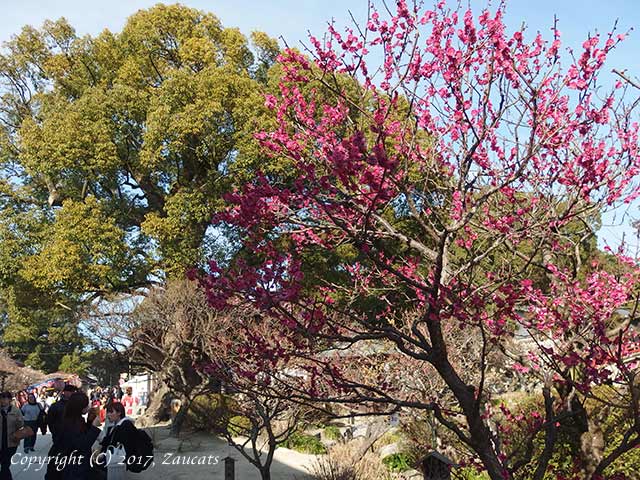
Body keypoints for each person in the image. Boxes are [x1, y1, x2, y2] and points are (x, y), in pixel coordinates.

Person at [57, 392, 100, 480]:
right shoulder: (71, 423)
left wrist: (89, 422)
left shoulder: (77, 419)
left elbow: (82, 435)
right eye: (86, 405)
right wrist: (94, 427)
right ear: (80, 407)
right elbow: (82, 444)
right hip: (75, 466)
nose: (88, 407)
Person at [45, 385, 78, 480]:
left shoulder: (75, 406)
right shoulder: (56, 406)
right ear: (65, 392)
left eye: (73, 392)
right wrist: (55, 434)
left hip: (73, 440)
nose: (72, 394)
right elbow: (50, 422)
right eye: (70, 392)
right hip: (59, 439)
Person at [96, 402, 136, 479]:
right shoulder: (115, 425)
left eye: (111, 412)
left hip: (118, 462)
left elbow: (126, 446)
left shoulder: (125, 426)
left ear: (119, 413)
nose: (108, 415)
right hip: (113, 462)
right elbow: (108, 442)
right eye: (108, 412)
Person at [0, 391, 25, 480]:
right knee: (4, 464)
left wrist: (18, 421)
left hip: (11, 441)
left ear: (10, 400)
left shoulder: (15, 410)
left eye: (5, 398)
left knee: (5, 463)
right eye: (1, 398)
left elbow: (21, 425)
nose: (2, 401)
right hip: (1, 441)